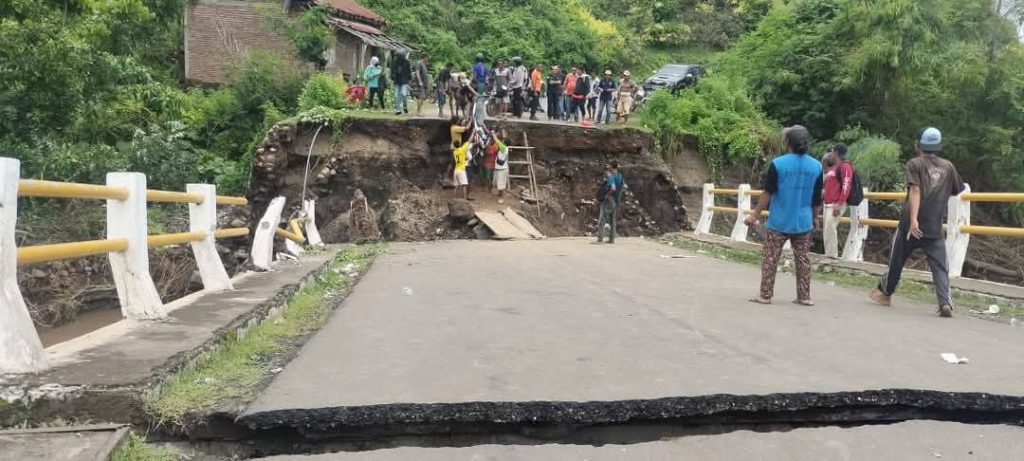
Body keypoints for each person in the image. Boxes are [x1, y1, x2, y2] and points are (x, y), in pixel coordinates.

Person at [871, 128, 965, 317]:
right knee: (940, 266)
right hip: (934, 225)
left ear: (918, 144)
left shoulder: (915, 164)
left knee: (896, 260)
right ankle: (944, 302)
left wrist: (914, 219)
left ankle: (885, 294)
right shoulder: (948, 166)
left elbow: (914, 190)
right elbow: (956, 190)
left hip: (909, 224)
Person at [744, 125, 823, 306]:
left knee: (771, 258)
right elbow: (816, 198)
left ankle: (765, 295)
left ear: (787, 142)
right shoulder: (817, 166)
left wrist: (755, 215)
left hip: (779, 221)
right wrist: (815, 218)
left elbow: (768, 193)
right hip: (803, 222)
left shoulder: (778, 164)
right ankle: (804, 296)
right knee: (803, 259)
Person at [822, 144, 854, 258]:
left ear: (836, 153)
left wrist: (839, 204)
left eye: (832, 152)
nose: (830, 154)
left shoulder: (845, 166)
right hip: (828, 203)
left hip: (836, 203)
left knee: (830, 227)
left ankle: (832, 256)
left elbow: (846, 186)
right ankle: (828, 254)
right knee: (827, 229)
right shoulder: (834, 167)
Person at [595, 161, 624, 244]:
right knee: (612, 220)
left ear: (611, 167)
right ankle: (612, 239)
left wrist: (607, 195)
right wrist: (617, 198)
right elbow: (621, 188)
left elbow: (613, 188)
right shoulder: (620, 176)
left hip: (609, 199)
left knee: (602, 219)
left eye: (609, 166)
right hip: (616, 199)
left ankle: (600, 239)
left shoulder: (611, 176)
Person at [411, 52, 431, 117]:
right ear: (425, 57)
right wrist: (420, 81)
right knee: (420, 97)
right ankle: (418, 112)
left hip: (424, 83)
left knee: (422, 98)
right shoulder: (419, 63)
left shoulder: (424, 64)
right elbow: (417, 72)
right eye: (427, 58)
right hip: (420, 83)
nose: (428, 59)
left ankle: (420, 111)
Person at [494, 134, 510, 202]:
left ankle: (502, 198)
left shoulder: (503, 148)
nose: (501, 141)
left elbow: (497, 141)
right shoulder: (503, 148)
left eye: (502, 141)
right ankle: (499, 194)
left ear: (504, 143)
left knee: (502, 184)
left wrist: (493, 134)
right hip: (500, 168)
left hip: (502, 169)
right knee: (499, 182)